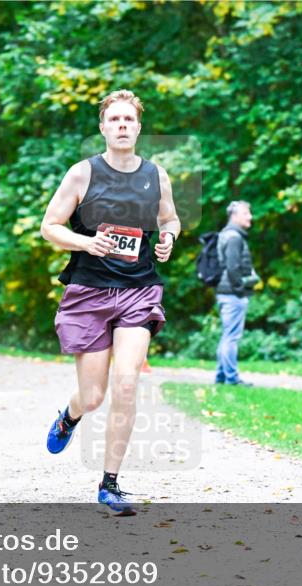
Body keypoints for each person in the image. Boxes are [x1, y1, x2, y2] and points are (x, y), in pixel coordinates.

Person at [39, 89, 180, 516]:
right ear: (103, 127)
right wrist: (87, 243)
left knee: (127, 382)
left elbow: (169, 217)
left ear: (138, 127)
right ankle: (70, 416)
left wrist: (168, 237)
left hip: (138, 290)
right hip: (89, 293)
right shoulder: (82, 174)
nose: (121, 125)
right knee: (93, 395)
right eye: (114, 119)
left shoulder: (156, 175)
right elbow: (50, 226)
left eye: (128, 119)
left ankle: (110, 484)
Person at [214, 200, 260, 386]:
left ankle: (221, 376)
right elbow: (233, 268)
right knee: (232, 337)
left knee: (227, 335)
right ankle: (232, 378)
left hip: (225, 291)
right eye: (246, 213)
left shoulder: (227, 234)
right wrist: (241, 289)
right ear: (234, 216)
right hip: (232, 293)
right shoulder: (234, 237)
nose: (250, 217)